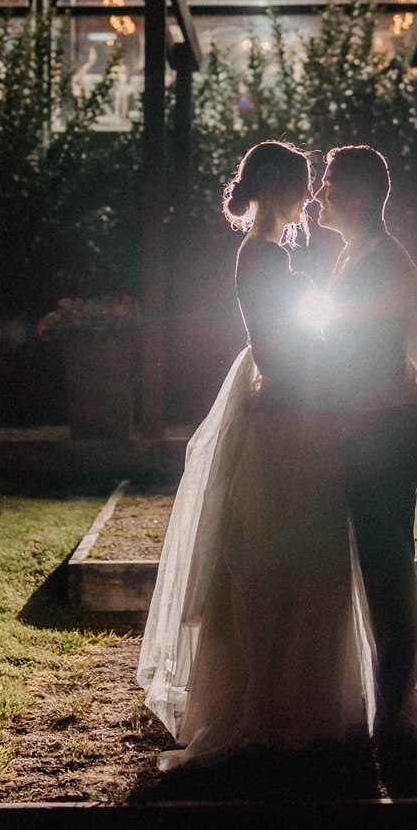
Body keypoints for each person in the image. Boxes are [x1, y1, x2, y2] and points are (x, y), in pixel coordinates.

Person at [137, 141, 373, 771]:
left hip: (289, 403)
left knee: (294, 552)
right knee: (279, 553)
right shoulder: (263, 259)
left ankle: (291, 697)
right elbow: (277, 349)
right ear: (278, 188)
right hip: (284, 412)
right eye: (304, 185)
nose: (311, 198)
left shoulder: (270, 255)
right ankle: (273, 703)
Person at [313, 144, 417, 747]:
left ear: (360, 195)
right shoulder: (355, 255)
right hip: (374, 425)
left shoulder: (381, 262)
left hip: (387, 430)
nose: (319, 195)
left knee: (387, 564)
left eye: (330, 184)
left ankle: (395, 708)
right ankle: (391, 700)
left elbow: (370, 358)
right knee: (379, 561)